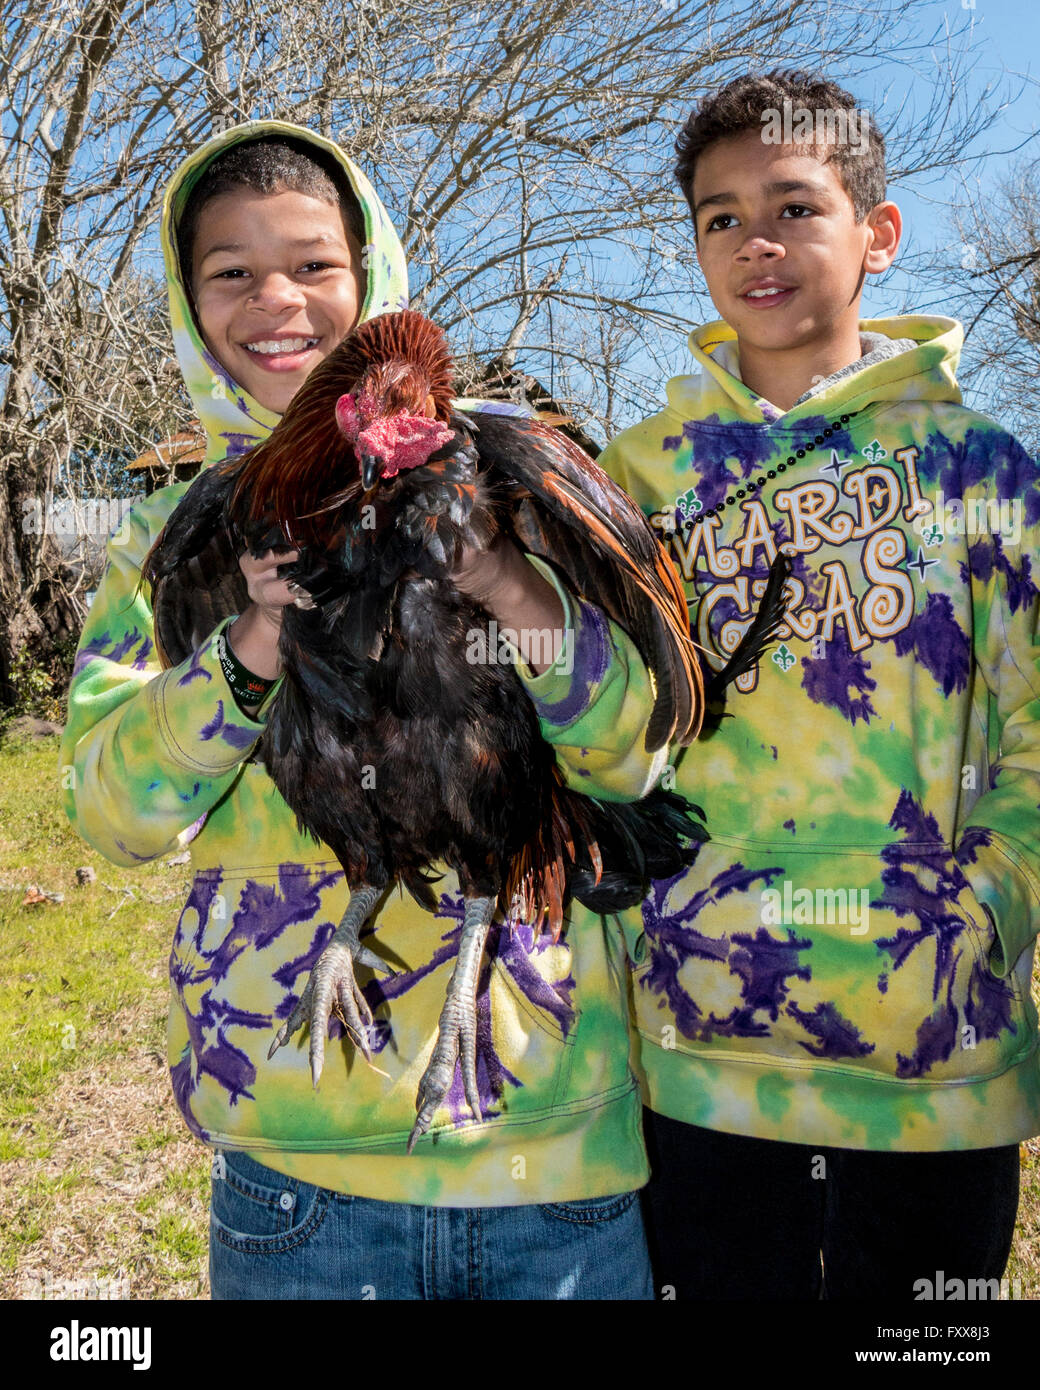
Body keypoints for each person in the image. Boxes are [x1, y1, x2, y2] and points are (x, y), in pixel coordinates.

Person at [59, 118, 666, 1300]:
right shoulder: (169, 531)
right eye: (230, 272)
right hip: (302, 1170)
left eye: (311, 265)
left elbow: (630, 754)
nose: (274, 299)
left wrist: (506, 583)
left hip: (550, 1158)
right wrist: (246, 648)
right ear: (189, 304)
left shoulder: (507, 476)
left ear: (372, 274)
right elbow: (112, 814)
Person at [592, 69, 1040, 1299]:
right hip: (699, 1056)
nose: (756, 244)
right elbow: (597, 724)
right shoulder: (638, 475)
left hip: (933, 1070)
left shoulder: (982, 470)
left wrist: (984, 906)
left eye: (793, 206)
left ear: (876, 234)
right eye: (719, 217)